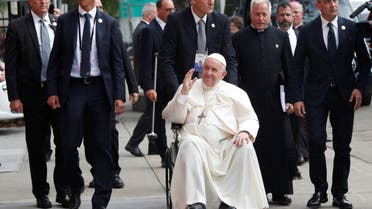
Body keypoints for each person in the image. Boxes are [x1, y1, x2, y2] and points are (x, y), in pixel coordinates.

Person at [291, 0, 371, 208]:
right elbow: (297, 66)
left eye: (335, 0)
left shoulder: (351, 28)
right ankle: (319, 191)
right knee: (317, 143)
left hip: (345, 96)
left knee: (342, 146)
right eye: (327, 1)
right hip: (316, 96)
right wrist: (298, 97)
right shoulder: (308, 31)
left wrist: (360, 89)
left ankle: (339, 193)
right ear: (318, 5)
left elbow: (365, 61)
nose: (333, 4)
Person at [162, 53, 268, 209]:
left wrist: (244, 131)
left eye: (214, 70)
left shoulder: (236, 92)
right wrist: (183, 94)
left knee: (246, 147)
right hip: (198, 146)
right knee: (189, 143)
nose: (209, 73)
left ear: (223, 74)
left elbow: (250, 118)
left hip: (226, 147)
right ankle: (195, 202)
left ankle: (234, 202)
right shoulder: (188, 87)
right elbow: (175, 117)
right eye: (206, 68)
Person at [46, 0, 126, 208]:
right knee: (67, 145)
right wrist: (52, 91)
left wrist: (120, 95)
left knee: (101, 146)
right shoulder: (65, 21)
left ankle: (101, 198)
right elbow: (55, 59)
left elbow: (117, 61)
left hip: (100, 89)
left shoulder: (108, 23)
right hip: (73, 88)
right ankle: (75, 187)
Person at [4, 0, 69, 208]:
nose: (43, 1)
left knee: (65, 143)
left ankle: (63, 190)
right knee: (37, 147)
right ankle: (41, 193)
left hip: (57, 94)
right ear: (29, 2)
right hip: (33, 95)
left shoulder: (58, 23)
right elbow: (12, 65)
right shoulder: (17, 27)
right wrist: (14, 97)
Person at [232, 0, 297, 205]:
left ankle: (280, 191)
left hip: (275, 101)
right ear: (251, 15)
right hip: (249, 102)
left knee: (280, 146)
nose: (261, 18)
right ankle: (256, 191)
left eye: (264, 14)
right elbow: (235, 72)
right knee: (254, 147)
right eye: (257, 14)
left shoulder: (281, 36)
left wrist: (293, 99)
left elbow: (290, 70)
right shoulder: (238, 38)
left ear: (270, 15)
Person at [87, 0, 139, 189]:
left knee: (110, 134)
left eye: (101, 8)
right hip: (87, 93)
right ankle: (98, 172)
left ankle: (114, 172)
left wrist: (132, 88)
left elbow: (123, 61)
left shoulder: (109, 27)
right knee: (91, 137)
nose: (98, 10)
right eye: (97, 7)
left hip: (106, 94)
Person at [125, 0, 175, 168]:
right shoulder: (149, 30)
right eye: (167, 9)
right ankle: (164, 155)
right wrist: (147, 86)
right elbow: (145, 61)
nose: (171, 12)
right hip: (158, 83)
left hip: (173, 81)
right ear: (158, 10)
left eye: (172, 9)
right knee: (158, 122)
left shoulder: (174, 27)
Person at [158, 0, 238, 98]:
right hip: (184, 88)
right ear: (193, 1)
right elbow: (166, 60)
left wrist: (231, 90)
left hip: (214, 92)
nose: (211, 2)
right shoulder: (176, 21)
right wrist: (178, 93)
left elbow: (229, 59)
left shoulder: (221, 21)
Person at [276, 2, 305, 180]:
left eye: (289, 15)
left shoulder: (302, 37)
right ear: (276, 17)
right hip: (278, 92)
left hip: (298, 93)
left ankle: (292, 166)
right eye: (282, 15)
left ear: (294, 17)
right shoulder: (273, 36)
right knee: (281, 133)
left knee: (295, 132)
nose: (285, 18)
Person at [132, 2, 157, 84]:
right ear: (149, 16)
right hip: (146, 76)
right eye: (156, 14)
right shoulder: (145, 29)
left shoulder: (140, 27)